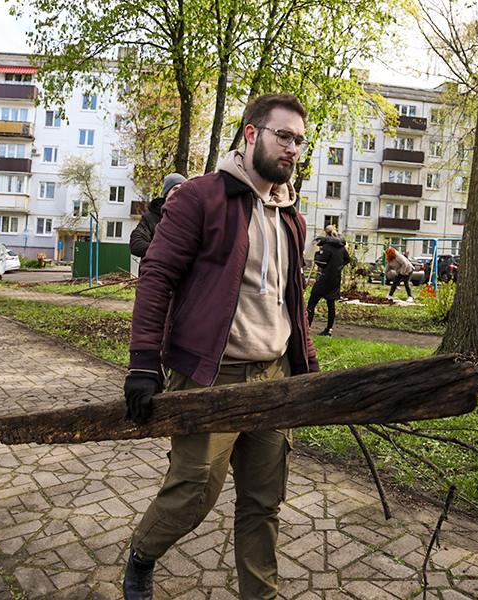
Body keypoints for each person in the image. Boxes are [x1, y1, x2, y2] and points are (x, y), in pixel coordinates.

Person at [121, 94, 318, 600]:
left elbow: (292, 302)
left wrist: (306, 369)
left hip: (274, 377)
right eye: (283, 136)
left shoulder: (292, 216)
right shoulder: (200, 198)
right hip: (211, 376)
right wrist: (143, 364)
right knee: (192, 493)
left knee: (263, 501)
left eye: (299, 139)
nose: (293, 148)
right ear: (251, 135)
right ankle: (142, 554)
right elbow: (157, 276)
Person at [129, 173, 187, 261]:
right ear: (166, 193)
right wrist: (167, 252)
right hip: (156, 272)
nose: (180, 193)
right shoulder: (150, 219)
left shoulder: (192, 219)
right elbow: (136, 245)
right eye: (175, 189)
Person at [306, 224, 351, 337]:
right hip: (335, 279)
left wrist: (317, 255)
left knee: (312, 302)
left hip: (324, 278)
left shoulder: (326, 246)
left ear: (326, 234)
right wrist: (338, 267)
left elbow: (322, 262)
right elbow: (347, 259)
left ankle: (307, 327)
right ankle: (329, 330)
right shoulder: (341, 246)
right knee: (331, 304)